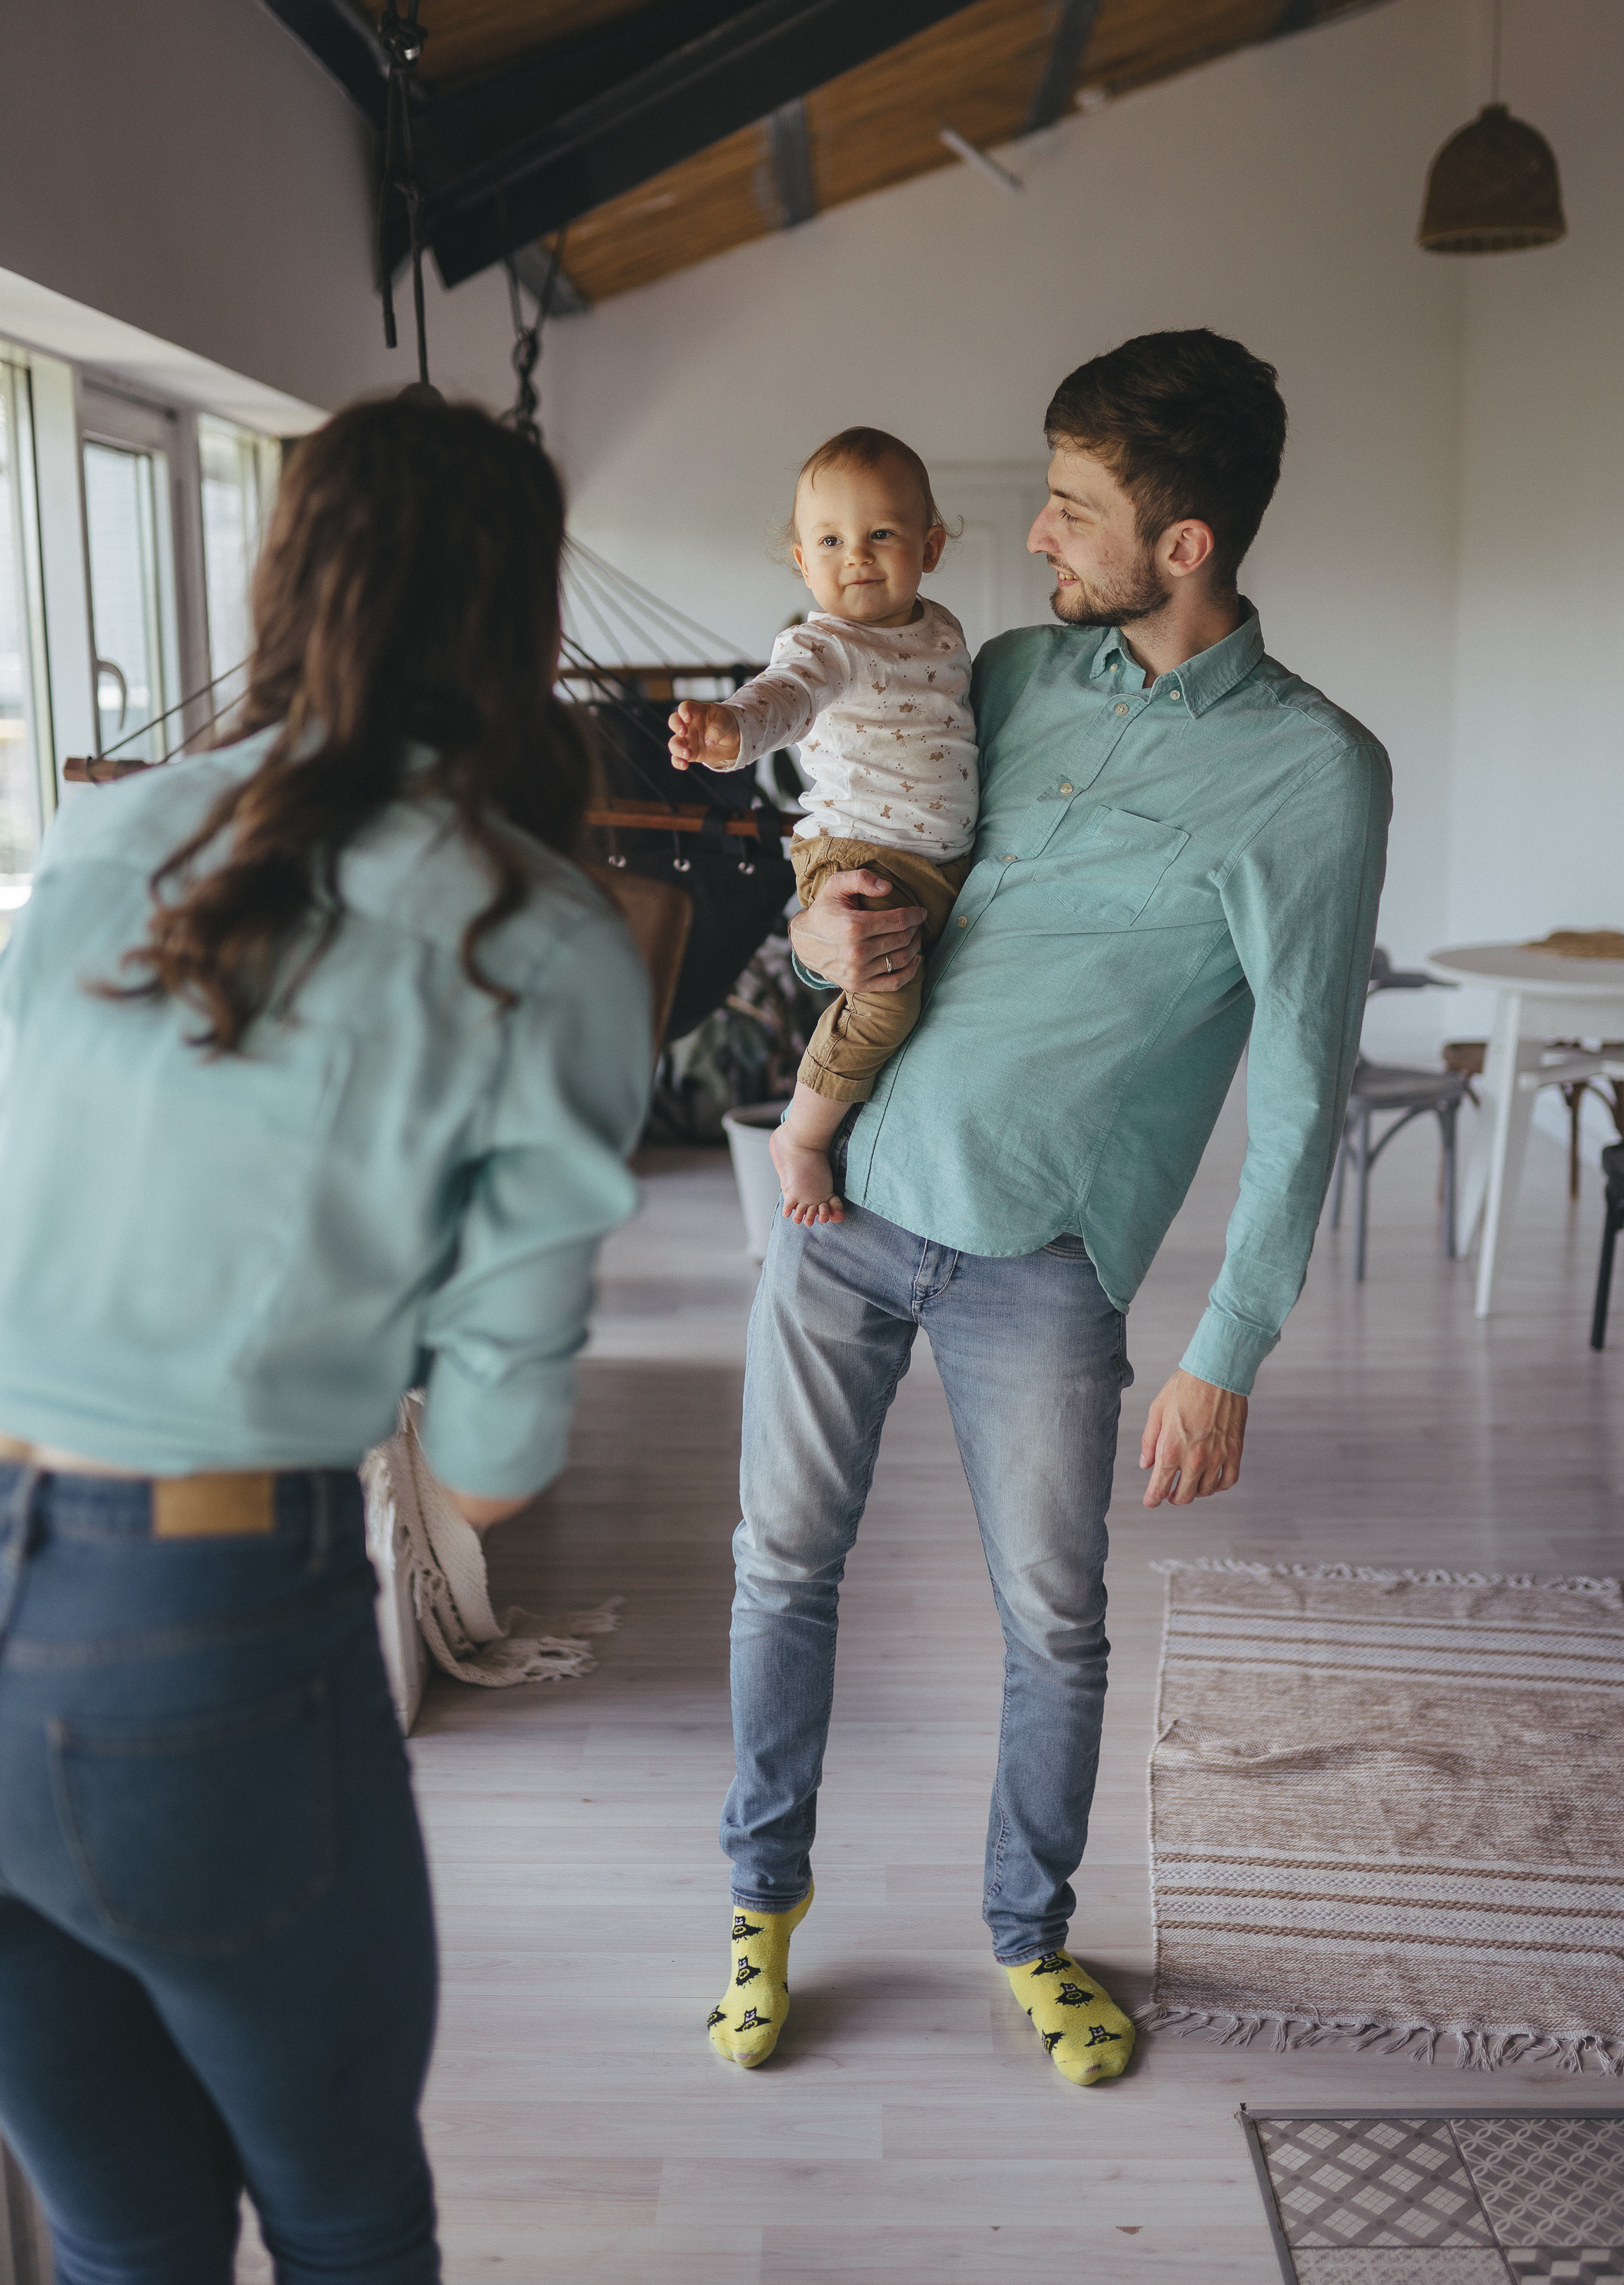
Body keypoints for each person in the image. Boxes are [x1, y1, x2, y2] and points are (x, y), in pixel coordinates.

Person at [0, 401, 653, 2279]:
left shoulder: (103, 835)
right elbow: (492, 1462)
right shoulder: (539, 933)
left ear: (282, 585)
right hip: (196, 1637)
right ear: (525, 618)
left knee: (122, 2237)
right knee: (348, 2219)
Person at [708, 329, 1393, 2085]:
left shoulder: (1315, 777)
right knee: (781, 1567)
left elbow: (1304, 1080)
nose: (1034, 535)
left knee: (1055, 1627)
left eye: (1072, 507)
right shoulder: (1004, 673)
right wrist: (813, 929)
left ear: (1182, 541)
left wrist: (1226, 1349)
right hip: (844, 1206)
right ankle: (759, 1907)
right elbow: (861, 848)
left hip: (1044, 1264)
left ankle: (1028, 1931)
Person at [667, 428, 974, 1227]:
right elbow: (782, 696)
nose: (857, 556)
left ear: (929, 548)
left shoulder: (942, 629)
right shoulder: (827, 643)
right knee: (886, 1004)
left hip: (937, 862)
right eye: (831, 540)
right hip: (861, 854)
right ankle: (799, 1137)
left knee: (928, 998)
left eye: (882, 534)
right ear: (804, 562)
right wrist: (730, 729)